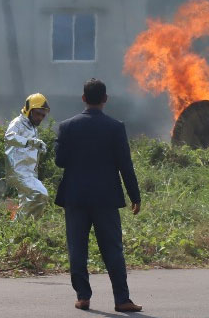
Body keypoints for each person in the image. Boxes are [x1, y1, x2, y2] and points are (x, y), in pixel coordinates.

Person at [54, 79, 143, 312]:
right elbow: (126, 165)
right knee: (113, 249)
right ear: (105, 99)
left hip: (75, 198)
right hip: (106, 198)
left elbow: (59, 161)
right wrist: (135, 195)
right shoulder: (115, 127)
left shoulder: (67, 126)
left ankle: (83, 297)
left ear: (83, 98)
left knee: (77, 248)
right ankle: (122, 300)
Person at [5, 93, 51, 220]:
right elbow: (9, 137)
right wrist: (29, 142)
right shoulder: (18, 122)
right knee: (40, 194)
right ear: (28, 110)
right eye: (38, 113)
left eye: (43, 115)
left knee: (27, 204)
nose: (40, 118)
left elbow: (30, 147)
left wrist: (39, 146)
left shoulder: (32, 127)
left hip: (29, 172)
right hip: (18, 171)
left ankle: (21, 231)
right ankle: (25, 227)